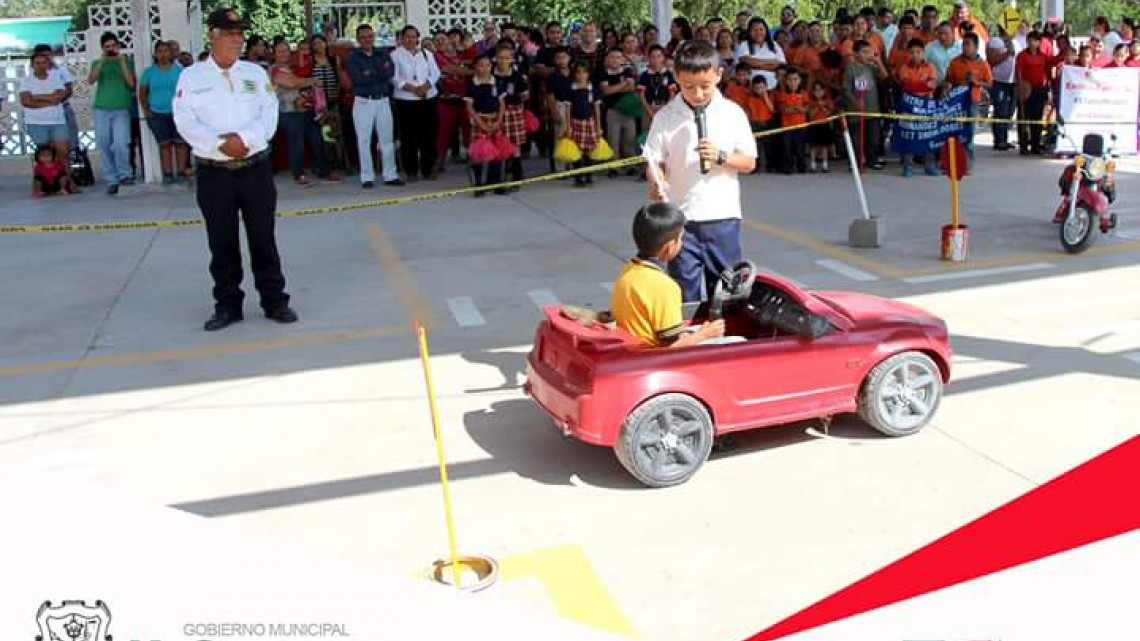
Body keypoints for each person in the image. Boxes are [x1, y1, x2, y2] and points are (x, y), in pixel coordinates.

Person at [173, 8, 297, 331]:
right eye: (229, 34)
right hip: (214, 171)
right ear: (213, 36)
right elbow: (185, 121)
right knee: (221, 241)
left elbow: (269, 116)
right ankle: (227, 305)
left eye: (240, 34)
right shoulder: (191, 76)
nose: (237, 40)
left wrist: (243, 139)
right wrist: (219, 144)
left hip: (254, 168)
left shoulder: (254, 74)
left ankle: (275, 300)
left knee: (263, 237)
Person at [642, 40, 757, 303]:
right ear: (676, 77)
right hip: (681, 219)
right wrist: (656, 182)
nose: (698, 94)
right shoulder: (666, 117)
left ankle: (725, 340)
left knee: (727, 290)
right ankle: (689, 339)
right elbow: (654, 160)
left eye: (705, 86)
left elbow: (750, 162)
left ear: (719, 74)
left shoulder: (732, 113)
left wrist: (722, 156)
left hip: (722, 216)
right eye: (688, 87)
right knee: (684, 290)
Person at [610, 202, 726, 347]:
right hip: (653, 358)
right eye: (681, 238)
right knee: (738, 342)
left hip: (635, 348)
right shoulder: (664, 286)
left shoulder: (628, 271)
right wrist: (705, 334)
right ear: (670, 247)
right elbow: (673, 347)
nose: (682, 243)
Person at [347, 23, 403, 188]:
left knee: (386, 139)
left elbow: (389, 73)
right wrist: (377, 72)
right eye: (363, 37)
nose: (367, 40)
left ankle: (390, 175)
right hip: (364, 101)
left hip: (383, 100)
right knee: (364, 140)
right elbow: (358, 78)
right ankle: (367, 177)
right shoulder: (353, 57)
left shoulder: (383, 53)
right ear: (358, 39)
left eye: (370, 36)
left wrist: (371, 72)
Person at [87, 32, 136, 194]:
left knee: (121, 143)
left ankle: (125, 174)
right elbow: (91, 80)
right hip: (101, 108)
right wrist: (102, 60)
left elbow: (130, 83)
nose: (110, 49)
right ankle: (111, 179)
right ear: (102, 48)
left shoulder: (127, 62)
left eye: (113, 46)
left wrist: (121, 62)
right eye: (107, 47)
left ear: (118, 46)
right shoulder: (97, 62)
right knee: (104, 144)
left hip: (121, 107)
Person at [392, 24, 442, 182]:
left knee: (428, 135)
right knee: (408, 137)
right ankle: (411, 170)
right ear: (401, 38)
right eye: (407, 36)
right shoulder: (395, 55)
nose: (410, 40)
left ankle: (428, 168)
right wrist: (412, 89)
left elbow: (435, 73)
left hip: (427, 98)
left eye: (413, 37)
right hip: (406, 100)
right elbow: (394, 78)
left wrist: (426, 86)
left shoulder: (426, 54)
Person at [139, 40, 191, 183]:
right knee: (165, 145)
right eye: (160, 51)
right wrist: (146, 110)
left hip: (177, 113)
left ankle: (181, 172)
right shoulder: (149, 72)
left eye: (166, 51)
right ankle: (167, 173)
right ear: (155, 54)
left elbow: (186, 92)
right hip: (157, 113)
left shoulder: (180, 71)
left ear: (171, 53)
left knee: (180, 144)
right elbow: (142, 92)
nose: (163, 54)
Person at [19, 51, 71, 163]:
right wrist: (50, 99)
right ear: (32, 65)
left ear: (48, 64)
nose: (41, 66)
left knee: (63, 152)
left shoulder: (55, 77)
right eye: (37, 63)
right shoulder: (26, 80)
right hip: (36, 123)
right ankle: (45, 179)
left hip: (57, 122)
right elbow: (27, 101)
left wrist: (37, 97)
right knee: (44, 155)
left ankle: (66, 178)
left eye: (44, 62)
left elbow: (59, 96)